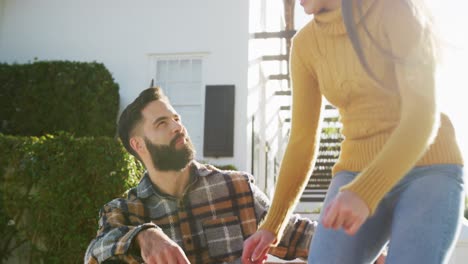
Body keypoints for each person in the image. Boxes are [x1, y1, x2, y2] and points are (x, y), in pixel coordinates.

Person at [243, 0, 465, 263]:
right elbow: (302, 141)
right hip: (354, 171)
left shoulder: (395, 10)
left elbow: (421, 117)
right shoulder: (305, 45)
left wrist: (364, 191)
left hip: (429, 167)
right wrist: (272, 225)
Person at [84, 87, 316, 264]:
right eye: (162, 124)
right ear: (138, 145)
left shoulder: (237, 188)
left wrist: (349, 219)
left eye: (176, 118)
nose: (177, 127)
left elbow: (302, 236)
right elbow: (93, 254)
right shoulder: (124, 212)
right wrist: (143, 237)